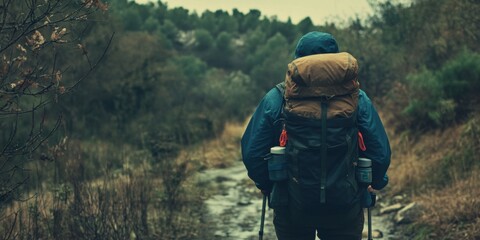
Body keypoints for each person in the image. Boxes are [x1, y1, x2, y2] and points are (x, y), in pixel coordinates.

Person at [241, 31, 391, 240]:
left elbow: (252, 153)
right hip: (344, 206)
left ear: (298, 60)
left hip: (290, 205)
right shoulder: (358, 99)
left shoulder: (277, 98)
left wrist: (268, 186)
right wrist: (375, 181)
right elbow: (380, 152)